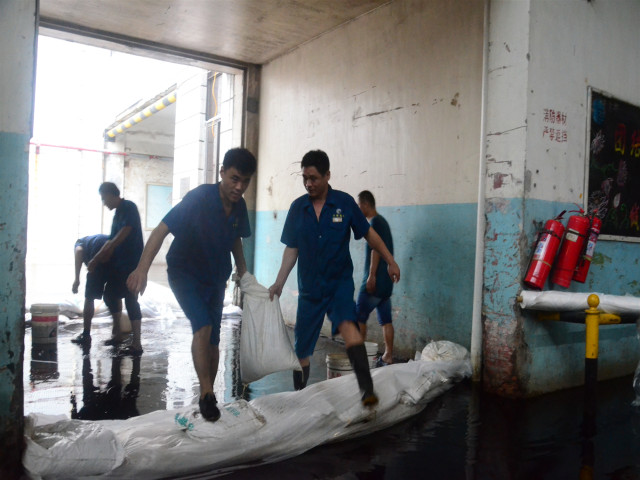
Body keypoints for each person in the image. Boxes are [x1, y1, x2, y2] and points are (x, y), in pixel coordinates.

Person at [127, 148, 257, 422]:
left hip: (215, 276)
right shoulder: (198, 198)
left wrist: (243, 271)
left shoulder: (239, 206)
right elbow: (162, 230)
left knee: (213, 340)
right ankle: (206, 395)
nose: (239, 186)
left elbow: (235, 238)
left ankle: (209, 395)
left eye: (245, 181)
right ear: (221, 173)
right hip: (184, 273)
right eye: (234, 178)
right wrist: (142, 269)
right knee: (203, 325)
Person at [268, 150, 400, 407]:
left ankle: (367, 390)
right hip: (310, 289)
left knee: (349, 328)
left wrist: (389, 260)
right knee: (302, 351)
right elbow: (292, 249)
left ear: (328, 175)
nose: (309, 183)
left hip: (339, 284)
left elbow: (370, 236)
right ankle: (298, 398)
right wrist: (279, 283)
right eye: (305, 178)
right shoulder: (298, 208)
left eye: (314, 178)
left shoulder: (345, 203)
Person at [88, 182, 144, 355]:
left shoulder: (128, 207)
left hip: (131, 264)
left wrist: (96, 259)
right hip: (119, 265)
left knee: (131, 299)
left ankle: (136, 343)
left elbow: (123, 234)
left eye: (104, 198)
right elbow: (110, 241)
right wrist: (100, 257)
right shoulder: (117, 214)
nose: (104, 203)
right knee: (110, 295)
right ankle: (118, 333)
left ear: (112, 195)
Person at [355, 191, 395, 367]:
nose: (358, 209)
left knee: (359, 317)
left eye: (358, 205)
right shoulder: (383, 221)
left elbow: (376, 249)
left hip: (375, 281)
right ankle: (388, 355)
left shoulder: (375, 223)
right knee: (386, 320)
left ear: (365, 204)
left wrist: (371, 276)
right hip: (386, 283)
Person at [71, 234, 119, 345]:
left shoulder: (79, 242)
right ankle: (117, 331)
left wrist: (77, 280)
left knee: (89, 297)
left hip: (97, 256)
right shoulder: (93, 239)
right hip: (115, 255)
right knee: (114, 295)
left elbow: (78, 251)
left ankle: (86, 334)